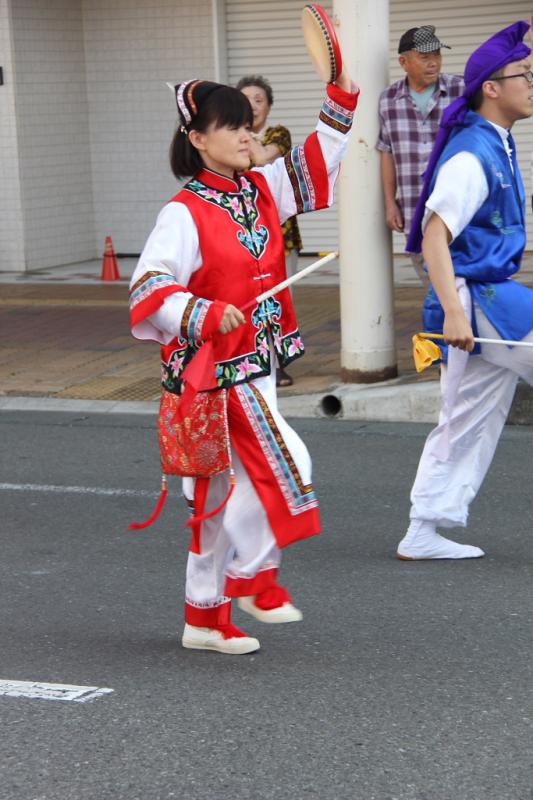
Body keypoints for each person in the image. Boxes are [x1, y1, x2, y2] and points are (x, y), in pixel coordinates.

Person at [129, 73, 359, 653]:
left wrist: (339, 99)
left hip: (254, 364)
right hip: (212, 372)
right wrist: (203, 312)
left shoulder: (259, 188)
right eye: (228, 125)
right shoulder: (183, 211)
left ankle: (203, 619)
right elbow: (149, 286)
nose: (243, 132)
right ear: (198, 139)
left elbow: (312, 164)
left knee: (215, 498)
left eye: (245, 122)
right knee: (285, 461)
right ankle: (255, 581)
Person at [396, 21, 533, 560]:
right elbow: (434, 235)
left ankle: (422, 529)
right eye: (524, 74)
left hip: (480, 297)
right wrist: (454, 314)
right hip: (477, 298)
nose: (532, 83)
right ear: (492, 88)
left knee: (469, 417)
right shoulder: (473, 150)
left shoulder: (494, 140)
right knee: (465, 417)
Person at [377, 25, 463, 285]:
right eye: (425, 57)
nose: (434, 62)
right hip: (415, 207)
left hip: (458, 205)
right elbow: (387, 152)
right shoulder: (388, 100)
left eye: (437, 55)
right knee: (432, 285)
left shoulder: (461, 89)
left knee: (464, 282)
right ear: (404, 62)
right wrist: (390, 203)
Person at [236, 74, 303, 388]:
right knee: (248, 299)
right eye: (245, 101)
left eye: (259, 100)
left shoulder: (278, 134)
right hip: (241, 231)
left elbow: (263, 156)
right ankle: (253, 361)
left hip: (280, 233)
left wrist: (245, 136)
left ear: (270, 106)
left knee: (279, 298)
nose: (252, 106)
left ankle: (278, 362)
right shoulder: (229, 139)